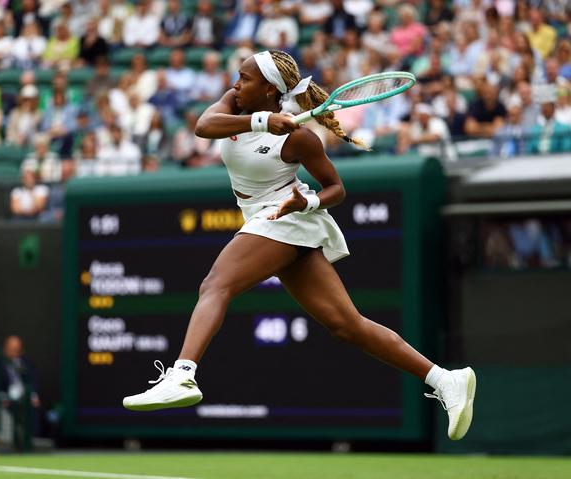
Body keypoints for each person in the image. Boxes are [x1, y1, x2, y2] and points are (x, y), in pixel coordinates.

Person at [122, 49, 477, 442]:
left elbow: (336, 189)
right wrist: (262, 121)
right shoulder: (233, 104)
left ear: (271, 89)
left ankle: (183, 375)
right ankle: (445, 379)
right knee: (348, 326)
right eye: (238, 77)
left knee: (215, 284)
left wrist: (304, 202)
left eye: (246, 78)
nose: (237, 83)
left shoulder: (300, 138)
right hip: (268, 218)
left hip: (285, 215)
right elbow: (203, 126)